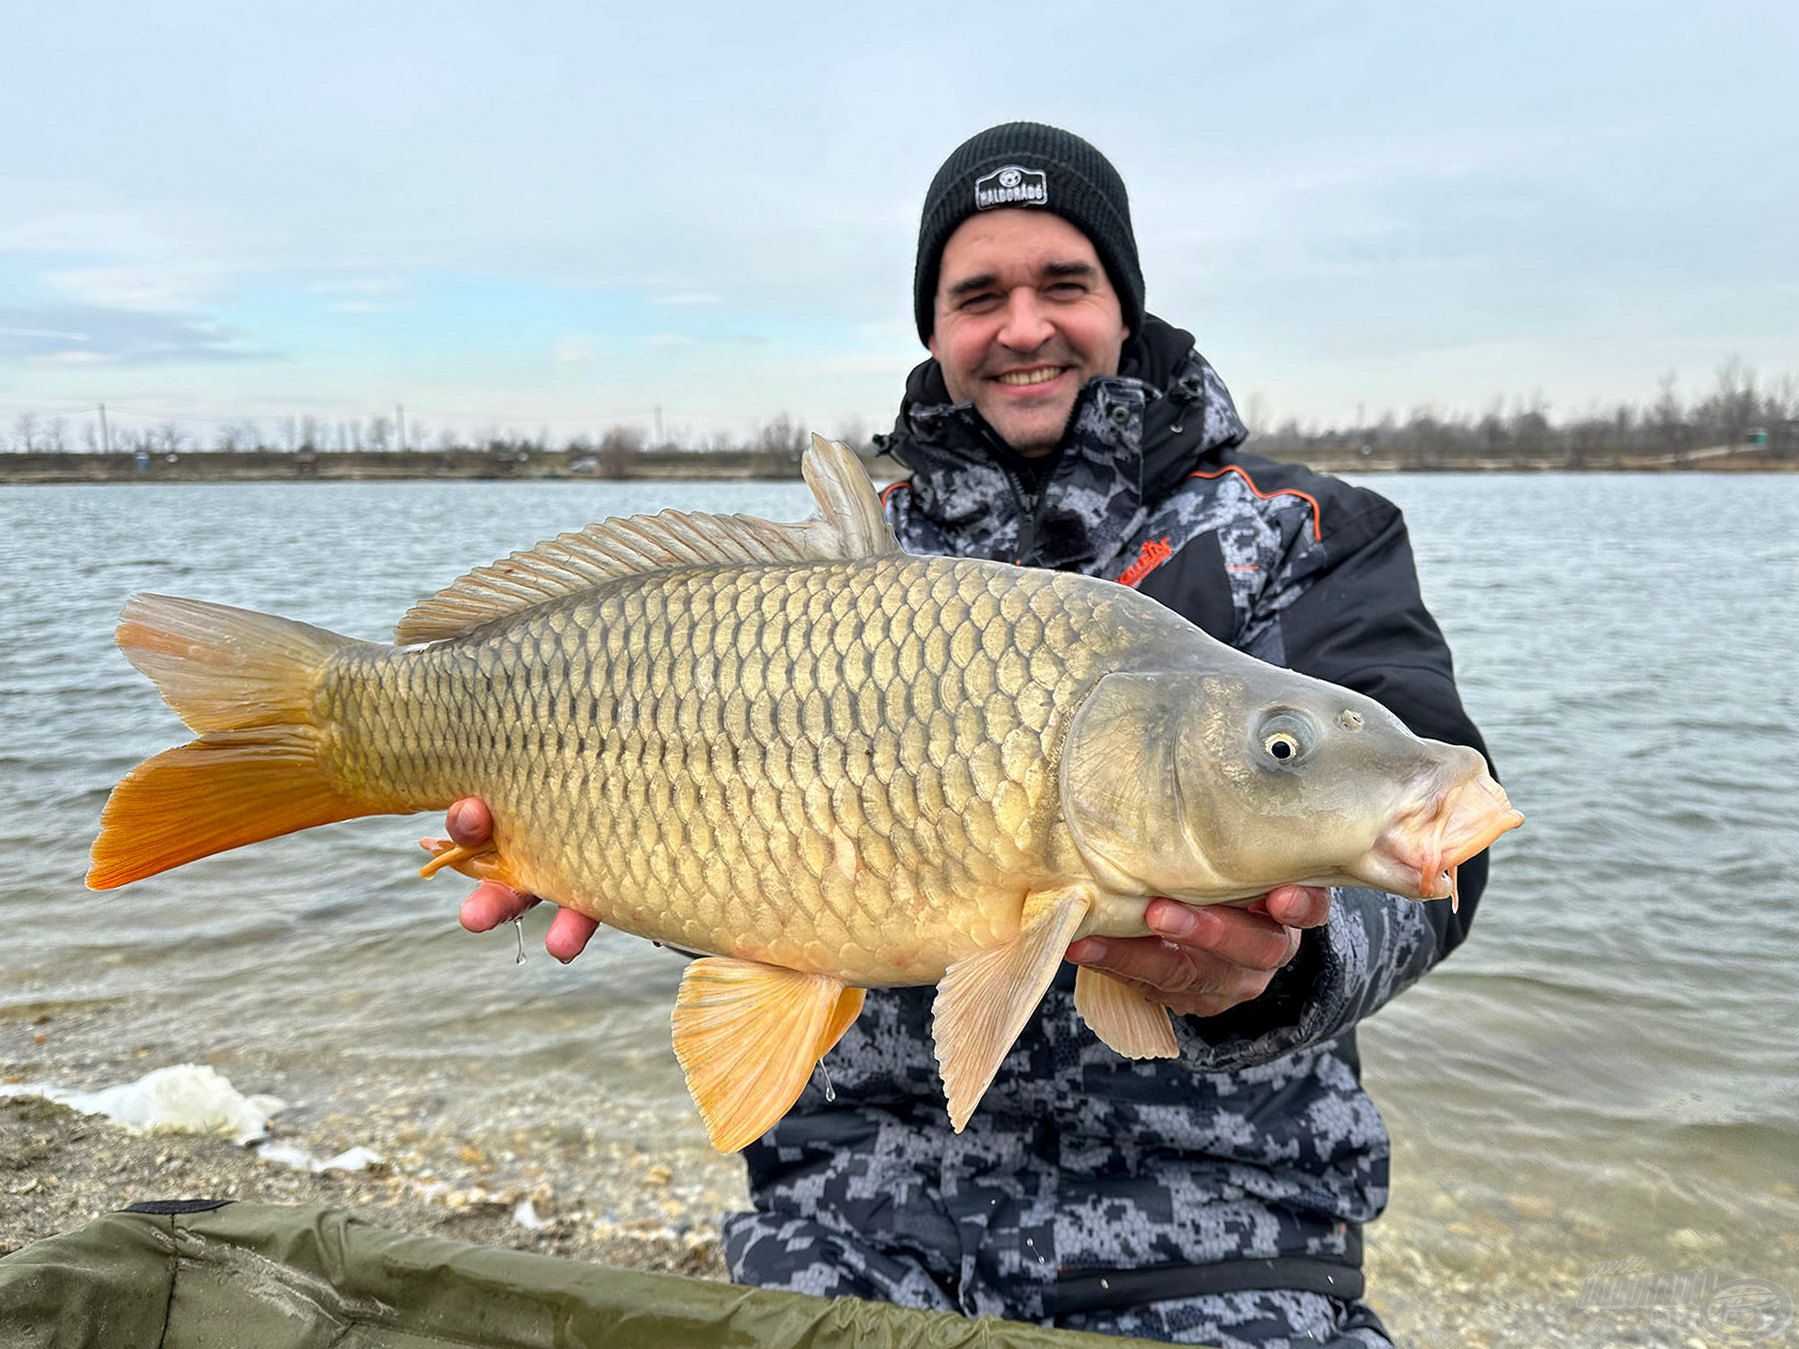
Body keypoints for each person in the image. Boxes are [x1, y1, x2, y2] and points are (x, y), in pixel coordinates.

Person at [449, 123, 1497, 1348]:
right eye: (977, 294)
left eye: (1063, 282)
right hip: (845, 1220)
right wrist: (591, 838)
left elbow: (1439, 852)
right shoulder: (851, 554)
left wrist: (1288, 968)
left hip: (1213, 1234)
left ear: (1123, 304)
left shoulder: (1307, 528)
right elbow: (730, 832)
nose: (1021, 326)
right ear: (934, 327)